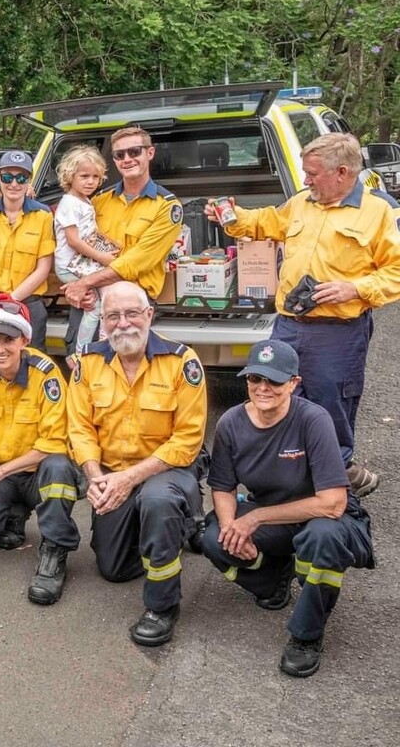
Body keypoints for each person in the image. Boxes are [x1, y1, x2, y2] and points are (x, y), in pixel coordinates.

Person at [207, 132, 400, 498]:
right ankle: (283, 474)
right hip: (288, 325)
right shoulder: (302, 203)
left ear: (342, 172)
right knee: (273, 395)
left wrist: (355, 288)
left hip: (337, 332)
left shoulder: (379, 212)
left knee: (331, 403)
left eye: (312, 173)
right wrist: (230, 216)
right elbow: (265, 222)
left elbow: (395, 270)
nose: (306, 179)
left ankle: (337, 481)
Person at [200, 339, 374, 677]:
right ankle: (273, 580)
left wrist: (254, 518)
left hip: (326, 519)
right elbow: (222, 486)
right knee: (212, 538)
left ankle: (307, 634)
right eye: (255, 379)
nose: (263, 388)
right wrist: (230, 527)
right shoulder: (231, 423)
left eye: (274, 381)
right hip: (276, 514)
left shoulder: (313, 420)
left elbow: (333, 503)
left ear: (293, 383)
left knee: (321, 540)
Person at [66, 281, 207, 646]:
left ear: (149, 315)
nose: (122, 323)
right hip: (112, 473)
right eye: (112, 316)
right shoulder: (87, 363)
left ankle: (162, 606)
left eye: (131, 313)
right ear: (102, 321)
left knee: (157, 503)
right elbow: (79, 429)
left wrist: (128, 480)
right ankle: (175, 532)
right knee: (112, 568)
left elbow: (188, 440)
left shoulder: (182, 362)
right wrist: (96, 478)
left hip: (167, 470)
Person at [0, 295, 80, 605]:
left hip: (37, 473)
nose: (0, 348)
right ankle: (13, 516)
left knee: (60, 467)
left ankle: (54, 553)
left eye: (8, 339)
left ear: (24, 340)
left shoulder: (45, 373)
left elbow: (54, 442)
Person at [60, 128, 181, 342]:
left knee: (126, 370)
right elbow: (70, 239)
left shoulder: (167, 208)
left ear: (149, 153)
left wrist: (83, 284)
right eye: (119, 154)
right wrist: (79, 288)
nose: (127, 159)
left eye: (134, 151)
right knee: (80, 366)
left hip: (130, 307)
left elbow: (135, 263)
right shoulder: (97, 201)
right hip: (90, 297)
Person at [0, 149, 55, 350]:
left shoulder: (43, 215)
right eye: (7, 177)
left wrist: (10, 302)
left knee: (29, 366)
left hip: (26, 304)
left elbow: (43, 268)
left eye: (21, 178)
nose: (14, 184)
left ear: (29, 180)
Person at [53, 145, 117, 357]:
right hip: (70, 266)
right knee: (95, 307)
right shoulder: (70, 203)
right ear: (70, 176)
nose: (91, 181)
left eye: (96, 177)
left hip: (82, 263)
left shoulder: (83, 201)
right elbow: (73, 241)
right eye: (84, 176)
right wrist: (103, 258)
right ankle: (83, 351)